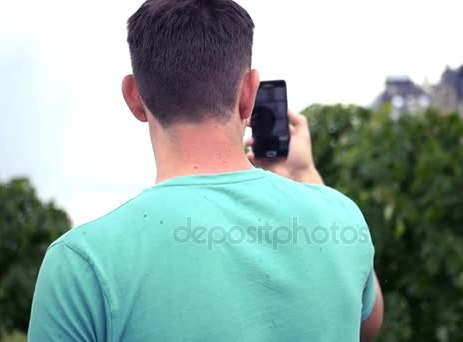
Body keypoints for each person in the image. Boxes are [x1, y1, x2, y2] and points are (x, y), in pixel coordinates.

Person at [28, 0, 383, 341]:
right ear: (248, 94)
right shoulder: (342, 219)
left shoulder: (80, 265)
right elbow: (367, 323)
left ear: (134, 97)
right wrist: (304, 176)